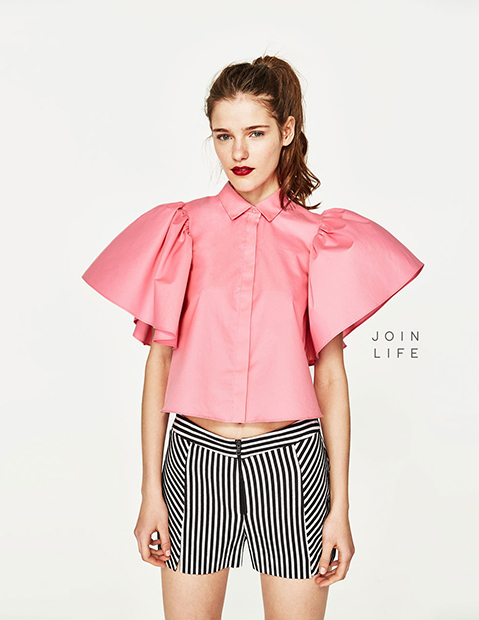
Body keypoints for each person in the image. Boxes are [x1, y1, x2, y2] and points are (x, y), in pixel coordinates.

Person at [81, 54, 424, 620]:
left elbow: (330, 378)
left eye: (255, 133)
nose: (238, 152)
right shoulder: (182, 229)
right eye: (224, 136)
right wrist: (149, 493)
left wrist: (340, 508)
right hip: (194, 462)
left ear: (286, 131)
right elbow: (159, 365)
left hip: (291, 464)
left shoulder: (319, 240)